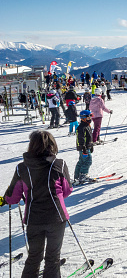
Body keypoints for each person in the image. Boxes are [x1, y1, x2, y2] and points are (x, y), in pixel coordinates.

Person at [2, 130, 72, 277]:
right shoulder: (59, 164)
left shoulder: (22, 168)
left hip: (34, 219)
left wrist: (5, 199)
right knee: (52, 258)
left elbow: (12, 197)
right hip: (56, 218)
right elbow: (67, 190)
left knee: (34, 256)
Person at [74, 110, 95, 182]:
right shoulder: (81, 127)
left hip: (87, 147)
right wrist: (84, 149)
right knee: (88, 161)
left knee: (81, 162)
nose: (90, 118)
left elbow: (89, 138)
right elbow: (80, 139)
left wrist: (91, 146)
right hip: (83, 148)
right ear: (83, 118)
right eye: (89, 117)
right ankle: (83, 175)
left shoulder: (87, 126)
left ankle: (77, 177)